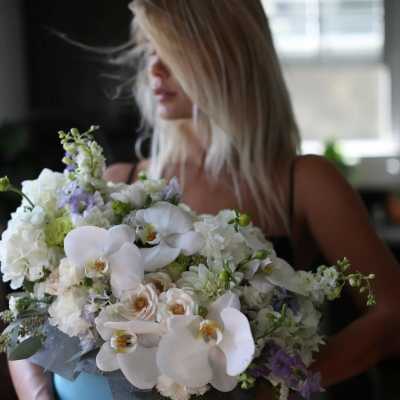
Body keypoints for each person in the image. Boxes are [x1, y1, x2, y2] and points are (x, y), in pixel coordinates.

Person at [9, 0, 400, 399]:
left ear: (227, 57)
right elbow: (29, 316)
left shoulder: (303, 182)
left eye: (172, 53)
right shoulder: (118, 182)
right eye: (150, 52)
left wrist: (275, 384)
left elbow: (391, 314)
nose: (154, 70)